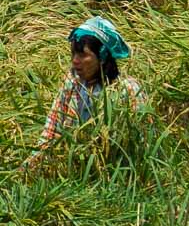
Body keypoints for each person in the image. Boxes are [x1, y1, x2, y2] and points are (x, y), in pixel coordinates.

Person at [22, 16, 146, 173]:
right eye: (73, 53)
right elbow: (52, 130)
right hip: (72, 168)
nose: (75, 61)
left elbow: (140, 143)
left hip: (114, 172)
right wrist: (28, 167)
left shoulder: (127, 91)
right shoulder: (72, 83)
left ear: (102, 57)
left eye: (82, 55)